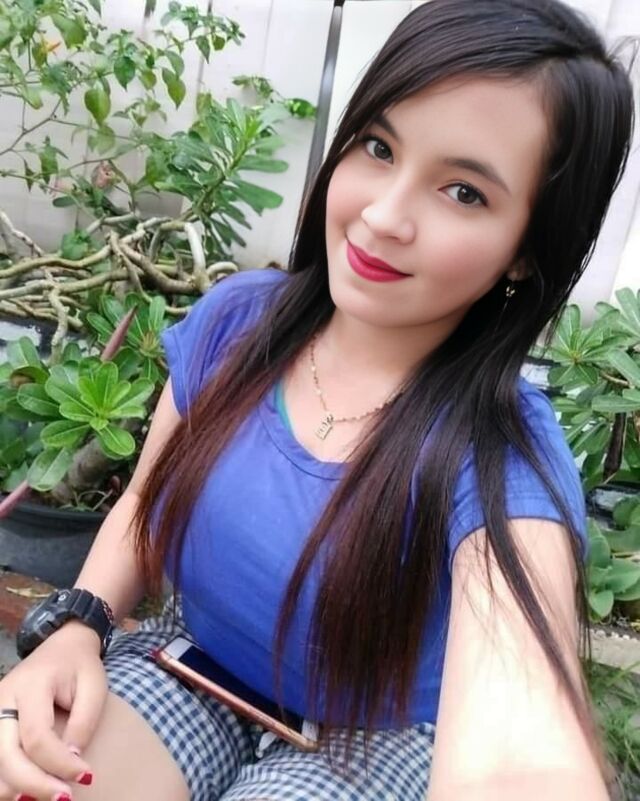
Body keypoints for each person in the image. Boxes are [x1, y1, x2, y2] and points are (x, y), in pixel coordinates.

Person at [0, 0, 635, 799]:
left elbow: (519, 750)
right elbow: (142, 504)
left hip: (377, 740)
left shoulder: (503, 454)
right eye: (379, 146)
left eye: (464, 192)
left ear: (527, 252)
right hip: (194, 670)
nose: (383, 215)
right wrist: (78, 625)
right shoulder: (238, 324)